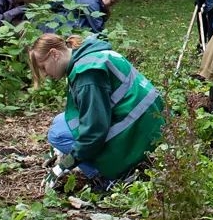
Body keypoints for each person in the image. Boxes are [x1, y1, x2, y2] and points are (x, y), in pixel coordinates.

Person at [28, 33, 164, 191]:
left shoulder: (87, 74)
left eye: (43, 67)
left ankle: (109, 178)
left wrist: (65, 165)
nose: (45, 74)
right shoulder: (89, 55)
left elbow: (94, 131)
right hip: (148, 120)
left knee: (57, 134)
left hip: (139, 131)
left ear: (54, 54)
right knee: (60, 121)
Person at [44, 0, 122, 35]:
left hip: (61, 27)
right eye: (112, 2)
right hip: (61, 30)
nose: (112, 5)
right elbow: (97, 28)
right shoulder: (91, 2)